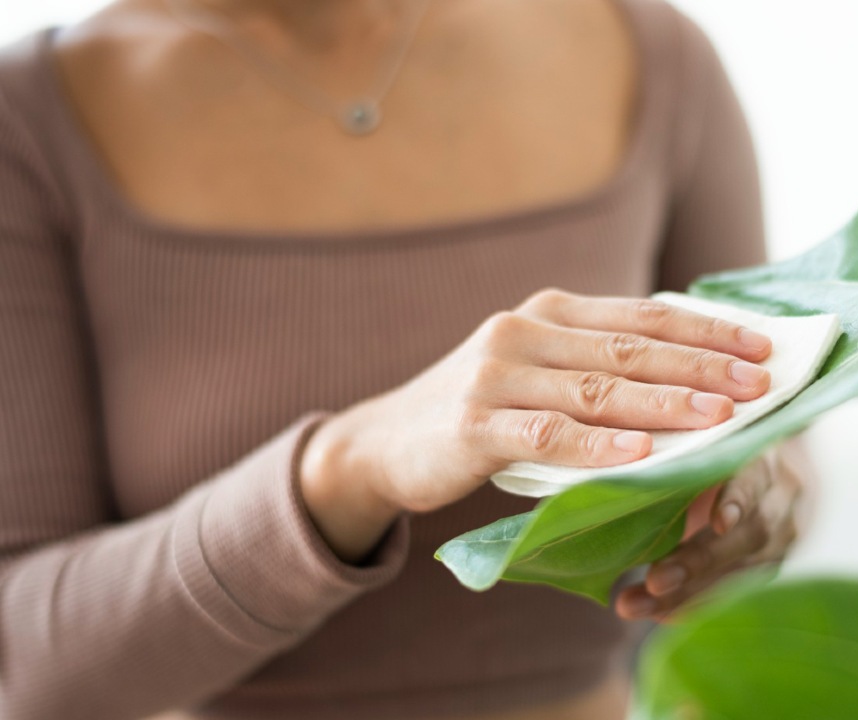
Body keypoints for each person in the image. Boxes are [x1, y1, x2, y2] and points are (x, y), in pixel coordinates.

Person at [0, 0, 807, 717]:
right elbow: (22, 665)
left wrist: (756, 502)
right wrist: (350, 468)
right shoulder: (30, 120)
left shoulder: (657, 57)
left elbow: (778, 442)